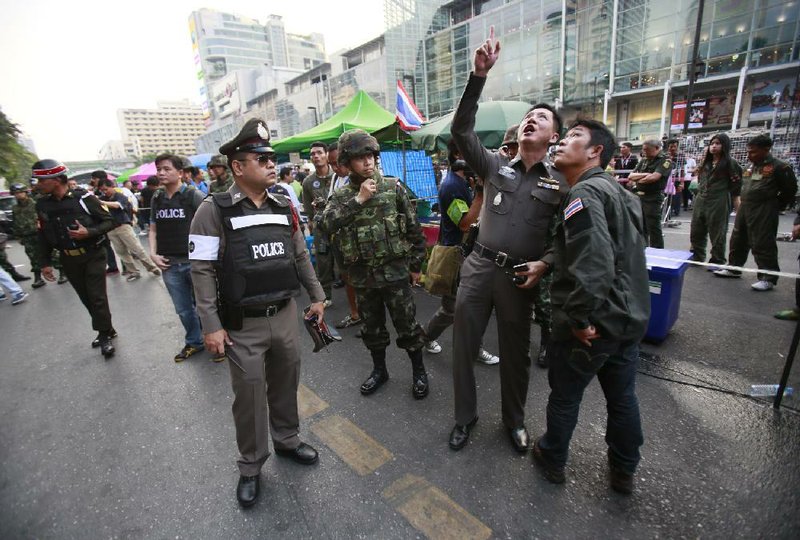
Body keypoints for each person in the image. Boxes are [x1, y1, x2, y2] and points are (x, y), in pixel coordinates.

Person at [189, 118, 325, 507]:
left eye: (271, 157)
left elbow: (299, 254)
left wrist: (316, 296)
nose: (270, 163)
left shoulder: (283, 205)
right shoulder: (212, 210)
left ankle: (287, 440)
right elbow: (200, 271)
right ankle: (250, 466)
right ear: (237, 167)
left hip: (283, 314)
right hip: (241, 324)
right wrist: (210, 326)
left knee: (285, 383)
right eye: (260, 158)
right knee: (248, 397)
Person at [447, 26, 568, 453]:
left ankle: (514, 421)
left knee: (516, 356)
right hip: (478, 268)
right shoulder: (496, 165)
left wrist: (546, 264)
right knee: (463, 347)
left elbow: (566, 239)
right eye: (529, 115)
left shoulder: (561, 184)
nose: (532, 118)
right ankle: (464, 417)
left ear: (554, 136)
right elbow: (461, 133)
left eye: (543, 117)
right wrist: (477, 77)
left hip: (520, 278)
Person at [531, 119, 649, 494]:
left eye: (574, 137)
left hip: (594, 323)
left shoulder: (583, 195)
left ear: (596, 151)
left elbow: (595, 263)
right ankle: (624, 470)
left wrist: (579, 318)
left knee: (565, 395)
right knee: (622, 397)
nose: (563, 141)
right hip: (627, 318)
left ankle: (552, 458)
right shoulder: (621, 193)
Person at [321, 129, 430, 399]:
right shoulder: (342, 197)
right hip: (363, 277)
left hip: (395, 274)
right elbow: (324, 225)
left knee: (408, 326)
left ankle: (419, 371)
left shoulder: (393, 188)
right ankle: (380, 370)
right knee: (373, 329)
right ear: (348, 162)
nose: (368, 162)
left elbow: (415, 231)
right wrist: (359, 201)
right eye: (360, 158)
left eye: (370, 155)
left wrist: (416, 266)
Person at [34, 159, 117, 358]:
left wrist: (88, 232)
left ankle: (104, 334)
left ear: (55, 180)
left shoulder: (83, 198)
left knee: (97, 297)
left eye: (41, 180)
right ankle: (107, 328)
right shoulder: (43, 205)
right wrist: (44, 263)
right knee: (86, 297)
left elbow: (109, 221)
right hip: (68, 259)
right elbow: (43, 235)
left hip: (93, 254)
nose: (38, 184)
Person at [421, 159, 500, 364]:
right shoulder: (451, 187)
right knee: (457, 307)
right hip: (458, 256)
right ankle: (430, 338)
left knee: (464, 306)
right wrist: (481, 194)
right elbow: (465, 223)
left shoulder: (462, 183)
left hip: (468, 253)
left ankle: (430, 337)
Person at [714, 135, 798, 290]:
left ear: (766, 150)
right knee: (738, 238)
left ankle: (768, 277)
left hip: (764, 208)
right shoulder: (749, 167)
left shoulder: (780, 167)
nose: (749, 155)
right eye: (748, 151)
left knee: (763, 242)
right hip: (746, 207)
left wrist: (777, 206)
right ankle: (734, 268)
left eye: (753, 152)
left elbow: (790, 190)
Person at [149, 154, 208, 361]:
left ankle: (217, 341)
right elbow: (153, 229)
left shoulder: (194, 196)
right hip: (169, 264)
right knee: (183, 310)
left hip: (195, 262)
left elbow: (211, 227)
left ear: (180, 173)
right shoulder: (157, 197)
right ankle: (194, 342)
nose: (161, 173)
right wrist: (153, 254)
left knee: (207, 305)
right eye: (159, 169)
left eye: (166, 169)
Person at [689, 134, 742, 266]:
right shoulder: (705, 162)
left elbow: (736, 188)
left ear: (725, 146)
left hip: (719, 200)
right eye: (712, 143)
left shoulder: (730, 163)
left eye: (718, 143)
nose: (714, 146)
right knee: (696, 229)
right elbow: (699, 179)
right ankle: (697, 256)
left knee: (717, 232)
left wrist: (738, 209)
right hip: (701, 200)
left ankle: (717, 260)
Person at [325, 143, 362, 330]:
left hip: (358, 239)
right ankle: (355, 314)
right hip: (340, 238)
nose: (335, 168)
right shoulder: (335, 179)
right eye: (331, 164)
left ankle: (367, 319)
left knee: (362, 279)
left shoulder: (360, 180)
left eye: (337, 163)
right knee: (347, 276)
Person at [97, 179, 160, 282]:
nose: (104, 192)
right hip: (111, 229)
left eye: (105, 189)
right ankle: (133, 271)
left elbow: (117, 205)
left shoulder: (120, 196)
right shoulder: (102, 198)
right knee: (121, 252)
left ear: (112, 186)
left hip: (123, 226)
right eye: (102, 190)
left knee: (136, 248)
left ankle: (152, 267)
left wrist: (101, 202)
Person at [10, 183, 67, 288]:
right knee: (33, 257)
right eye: (15, 193)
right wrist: (18, 236)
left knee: (53, 254)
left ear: (25, 192)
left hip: (40, 233)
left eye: (20, 192)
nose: (18, 195)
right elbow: (15, 222)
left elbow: (46, 217)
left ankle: (63, 273)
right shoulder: (15, 208)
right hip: (27, 235)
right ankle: (38, 278)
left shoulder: (35, 203)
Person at [303, 142, 335, 305]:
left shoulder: (338, 176)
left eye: (319, 153)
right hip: (321, 227)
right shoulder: (308, 182)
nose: (315, 156)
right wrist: (311, 225)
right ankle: (326, 296)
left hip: (339, 225)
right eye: (313, 154)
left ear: (327, 154)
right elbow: (308, 208)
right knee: (322, 261)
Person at [627, 139, 673, 248]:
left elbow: (654, 177)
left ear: (657, 148)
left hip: (653, 197)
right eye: (643, 150)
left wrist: (639, 178)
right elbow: (631, 176)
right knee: (640, 225)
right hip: (638, 196)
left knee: (653, 227)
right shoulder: (644, 160)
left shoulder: (665, 160)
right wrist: (646, 174)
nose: (644, 152)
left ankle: (657, 251)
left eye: (647, 150)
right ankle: (642, 249)